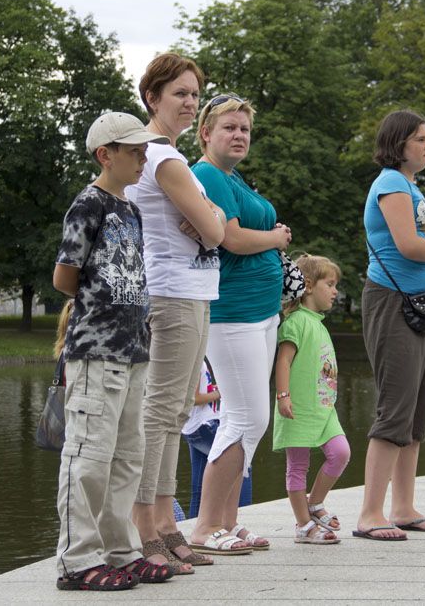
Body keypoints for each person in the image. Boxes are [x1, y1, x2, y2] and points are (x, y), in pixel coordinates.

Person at [51, 112, 174, 591]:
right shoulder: (89, 204)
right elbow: (65, 276)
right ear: (106, 155)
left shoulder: (132, 209)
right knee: (88, 457)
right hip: (95, 353)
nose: (144, 157)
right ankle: (76, 561)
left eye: (146, 149)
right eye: (135, 150)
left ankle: (120, 552)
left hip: (134, 351)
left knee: (127, 458)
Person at [125, 53, 226, 572]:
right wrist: (211, 218)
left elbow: (214, 222)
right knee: (163, 412)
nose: (190, 103)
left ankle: (166, 522)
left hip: (195, 291)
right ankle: (148, 528)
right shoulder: (162, 157)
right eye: (179, 94)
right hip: (173, 293)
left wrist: (211, 216)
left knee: (176, 414)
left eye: (194, 94)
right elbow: (216, 232)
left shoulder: (170, 159)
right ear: (152, 98)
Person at [187, 94, 290, 554]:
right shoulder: (207, 173)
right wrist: (276, 237)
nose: (239, 135)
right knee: (247, 417)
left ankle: (228, 520)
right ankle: (206, 526)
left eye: (245, 129)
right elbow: (229, 237)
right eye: (229, 127)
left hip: (261, 312)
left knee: (244, 419)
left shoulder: (232, 177)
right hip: (233, 314)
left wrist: (267, 240)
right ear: (206, 132)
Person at [354, 109, 425, 541]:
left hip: (424, 305)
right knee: (395, 407)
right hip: (393, 303)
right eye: (419, 139)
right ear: (398, 144)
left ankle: (403, 507)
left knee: (416, 411)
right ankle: (370, 513)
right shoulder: (391, 183)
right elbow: (408, 245)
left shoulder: (412, 186)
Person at [273, 254, 349, 545]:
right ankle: (303, 525)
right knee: (298, 466)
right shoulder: (296, 322)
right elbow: (283, 361)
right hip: (299, 407)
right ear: (307, 286)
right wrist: (283, 396)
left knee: (341, 453)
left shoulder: (319, 323)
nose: (334, 291)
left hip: (325, 408)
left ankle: (314, 503)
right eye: (329, 284)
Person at [181, 358, 253, 519]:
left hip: (191, 428)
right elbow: (194, 399)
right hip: (204, 425)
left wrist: (212, 389)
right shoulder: (196, 361)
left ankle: (193, 526)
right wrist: (220, 393)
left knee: (199, 488)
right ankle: (245, 518)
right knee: (241, 464)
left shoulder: (193, 357)